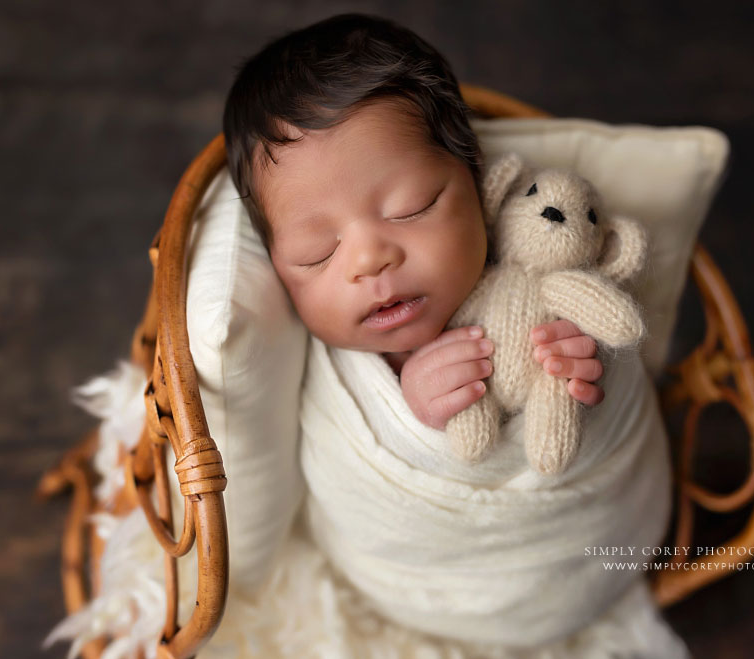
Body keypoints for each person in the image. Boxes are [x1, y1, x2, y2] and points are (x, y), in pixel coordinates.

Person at [223, 13, 606, 431]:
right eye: (318, 252)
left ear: (475, 176)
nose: (369, 260)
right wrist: (413, 416)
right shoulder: (305, 374)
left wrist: (578, 363)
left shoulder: (538, 273)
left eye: (412, 207)